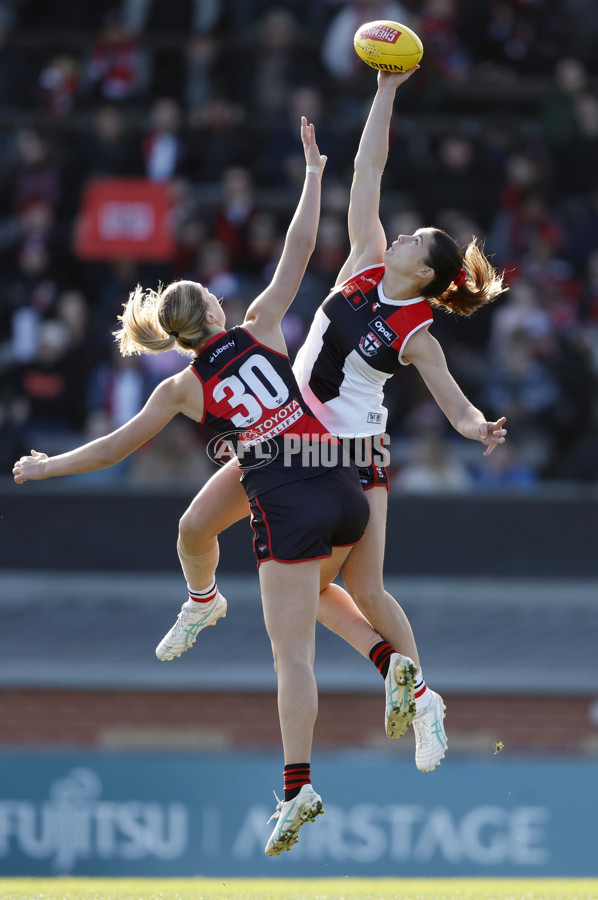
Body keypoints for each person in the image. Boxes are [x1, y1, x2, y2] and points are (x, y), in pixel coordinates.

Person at [12, 118, 416, 857]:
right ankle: (352, 650)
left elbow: (112, 450)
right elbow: (297, 250)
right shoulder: (262, 325)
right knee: (196, 529)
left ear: (173, 336)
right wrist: (312, 176)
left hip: (284, 497)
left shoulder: (181, 388)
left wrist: (44, 468)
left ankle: (299, 786)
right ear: (218, 312)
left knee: (291, 654)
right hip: (342, 478)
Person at [154, 68, 508, 776]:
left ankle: (423, 697)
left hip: (352, 455)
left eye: (415, 240)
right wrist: (386, 91)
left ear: (426, 269)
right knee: (199, 529)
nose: (401, 235)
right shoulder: (362, 267)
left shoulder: (416, 329)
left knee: (356, 591)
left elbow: (449, 393)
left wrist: (474, 428)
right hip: (287, 440)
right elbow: (367, 166)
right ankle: (211, 603)